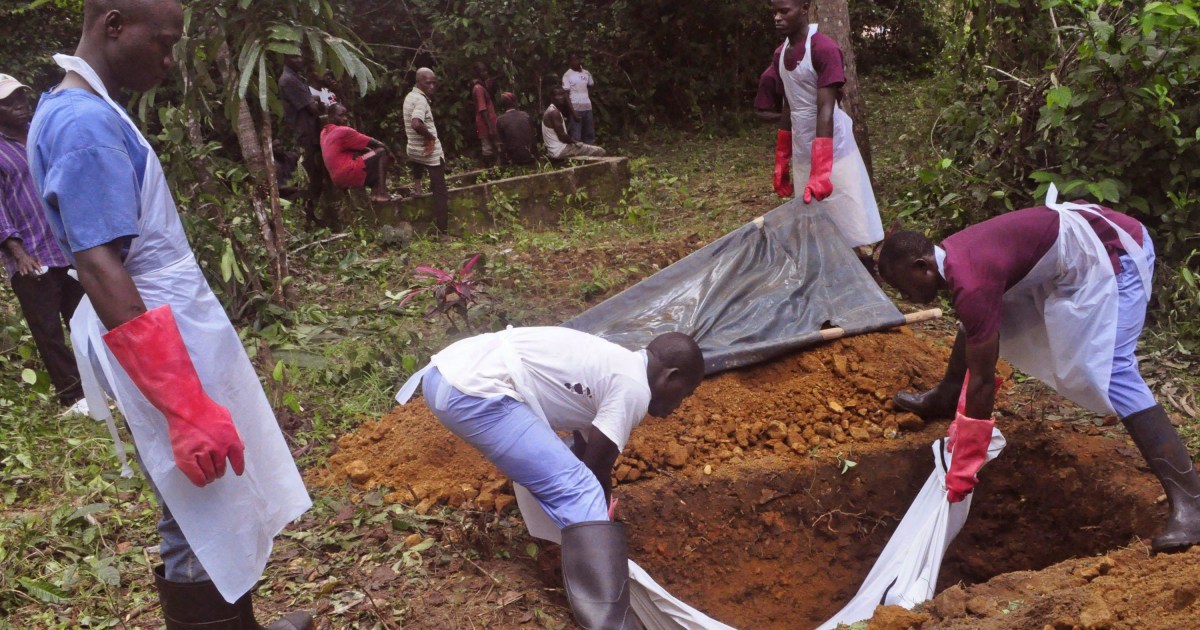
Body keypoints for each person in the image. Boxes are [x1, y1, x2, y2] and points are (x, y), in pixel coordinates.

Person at [26, 1, 313, 627]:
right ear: (113, 25)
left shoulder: (76, 109)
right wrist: (184, 407)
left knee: (203, 492)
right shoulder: (82, 123)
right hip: (156, 333)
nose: (168, 57)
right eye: (162, 42)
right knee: (200, 497)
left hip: (164, 325)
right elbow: (101, 266)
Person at [876, 186, 1200, 554]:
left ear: (923, 267)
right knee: (977, 319)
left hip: (1115, 251)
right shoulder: (954, 262)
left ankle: (1191, 505)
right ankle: (946, 397)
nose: (905, 297)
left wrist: (968, 455)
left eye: (903, 286)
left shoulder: (970, 277)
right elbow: (977, 321)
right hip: (1075, 252)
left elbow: (983, 380)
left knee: (1112, 372)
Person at [394, 327, 704, 629]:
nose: (679, 406)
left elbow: (588, 457)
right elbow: (592, 474)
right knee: (579, 490)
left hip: (447, 378)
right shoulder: (633, 386)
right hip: (474, 391)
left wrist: (601, 518)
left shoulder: (617, 366)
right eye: (684, 394)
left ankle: (576, 571)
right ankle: (613, 624)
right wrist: (601, 527)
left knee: (578, 486)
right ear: (671, 376)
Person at [0, 73, 86, 412]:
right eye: (9, 102)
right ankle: (74, 396)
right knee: (48, 330)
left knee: (84, 321)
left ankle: (102, 385)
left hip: (68, 245)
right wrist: (17, 251)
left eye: (21, 97)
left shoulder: (43, 133)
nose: (19, 106)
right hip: (31, 255)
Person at [768, 0, 882, 251]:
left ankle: (865, 275)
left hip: (835, 149)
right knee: (812, 228)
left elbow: (825, 110)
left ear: (804, 8)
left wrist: (821, 172)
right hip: (803, 147)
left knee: (852, 224)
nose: (777, 17)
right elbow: (789, 105)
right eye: (774, 11)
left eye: (784, 11)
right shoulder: (780, 54)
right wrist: (782, 158)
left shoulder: (824, 48)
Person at [279, 53, 331, 229]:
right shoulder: (289, 80)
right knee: (312, 177)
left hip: (311, 133)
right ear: (286, 59)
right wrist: (317, 101)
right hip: (307, 135)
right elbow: (312, 107)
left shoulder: (295, 77)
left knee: (318, 175)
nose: (300, 60)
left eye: (301, 57)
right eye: (295, 58)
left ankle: (316, 215)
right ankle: (309, 219)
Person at [320, 103, 397, 203]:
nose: (345, 118)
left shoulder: (324, 133)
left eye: (346, 115)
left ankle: (376, 194)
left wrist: (369, 152)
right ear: (331, 117)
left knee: (373, 157)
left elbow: (360, 148)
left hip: (336, 178)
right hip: (347, 173)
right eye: (341, 115)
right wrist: (390, 154)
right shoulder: (343, 131)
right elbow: (377, 143)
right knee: (382, 152)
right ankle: (381, 193)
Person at [403, 67, 449, 233]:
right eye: (427, 83)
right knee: (440, 191)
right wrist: (430, 138)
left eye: (434, 83)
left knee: (417, 161)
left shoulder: (410, 96)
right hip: (429, 152)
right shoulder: (421, 101)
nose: (432, 87)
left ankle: (417, 187)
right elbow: (416, 123)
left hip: (414, 151)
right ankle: (443, 233)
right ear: (418, 82)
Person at [542, 87, 605, 160]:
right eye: (557, 95)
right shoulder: (554, 113)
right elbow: (562, 136)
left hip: (556, 150)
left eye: (562, 95)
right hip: (560, 150)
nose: (560, 98)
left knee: (587, 149)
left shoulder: (552, 110)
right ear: (552, 98)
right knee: (600, 151)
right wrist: (575, 142)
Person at [470, 62, 501, 167]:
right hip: (485, 123)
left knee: (493, 145)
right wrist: (490, 127)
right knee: (488, 147)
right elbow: (482, 109)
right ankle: (489, 170)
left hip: (489, 121)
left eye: (486, 70)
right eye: (482, 71)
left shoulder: (482, 86)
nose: (485, 73)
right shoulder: (478, 88)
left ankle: (493, 169)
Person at [562, 52, 596, 144]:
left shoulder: (586, 73)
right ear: (569, 62)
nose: (575, 62)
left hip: (587, 108)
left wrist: (587, 98)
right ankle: (577, 158)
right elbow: (566, 95)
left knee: (589, 134)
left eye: (577, 59)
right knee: (576, 136)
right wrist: (573, 112)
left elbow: (591, 86)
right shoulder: (567, 75)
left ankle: (590, 156)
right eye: (573, 60)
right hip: (576, 108)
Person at [495, 92, 536, 166]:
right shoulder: (525, 115)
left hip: (513, 159)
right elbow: (533, 138)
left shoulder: (500, 120)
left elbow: (501, 144)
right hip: (529, 156)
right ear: (515, 103)